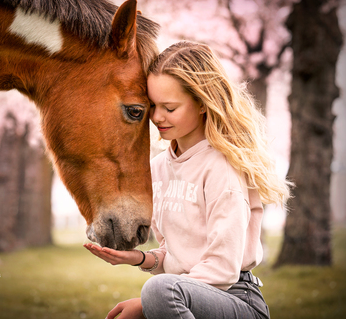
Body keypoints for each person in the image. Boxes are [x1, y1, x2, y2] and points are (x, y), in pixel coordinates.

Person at [84, 41, 292, 319]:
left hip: (237, 299)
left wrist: (148, 304)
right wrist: (141, 258)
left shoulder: (222, 167)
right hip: (187, 294)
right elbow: (177, 254)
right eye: (153, 106)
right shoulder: (158, 168)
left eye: (169, 108)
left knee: (157, 291)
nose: (157, 117)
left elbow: (222, 268)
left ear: (202, 104)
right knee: (155, 292)